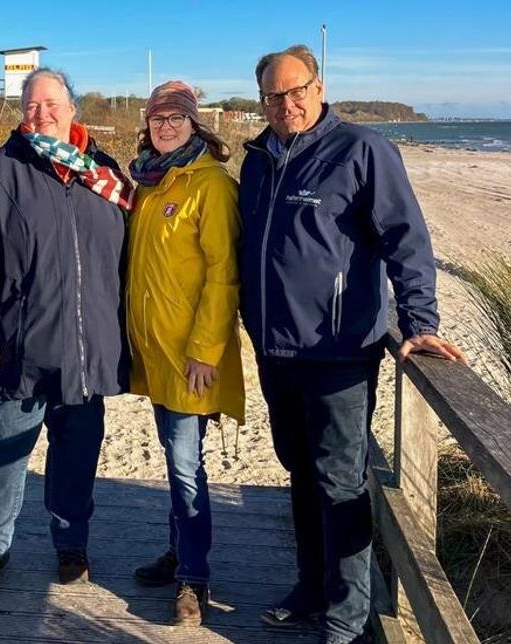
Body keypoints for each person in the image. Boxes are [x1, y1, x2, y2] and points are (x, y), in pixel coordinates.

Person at [238, 45, 467, 644]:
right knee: (300, 471)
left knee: (341, 481)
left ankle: (346, 617)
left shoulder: (362, 150)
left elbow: (406, 240)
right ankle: (311, 588)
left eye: (296, 92)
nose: (286, 105)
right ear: (261, 100)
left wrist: (420, 320)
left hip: (339, 352)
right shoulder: (258, 159)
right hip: (274, 349)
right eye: (273, 96)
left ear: (318, 86)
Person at [0, 68, 133, 591]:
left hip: (86, 346)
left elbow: (129, 261)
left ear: (72, 109)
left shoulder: (104, 173)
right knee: (2, 451)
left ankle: (70, 542)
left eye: (52, 104)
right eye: (32, 106)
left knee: (77, 452)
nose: (42, 114)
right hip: (17, 343)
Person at [125, 80, 244, 626]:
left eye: (177, 117)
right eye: (158, 118)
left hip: (191, 356)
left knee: (185, 465)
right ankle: (179, 553)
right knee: (176, 462)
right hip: (154, 351)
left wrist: (205, 351)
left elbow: (224, 276)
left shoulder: (211, 184)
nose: (166, 125)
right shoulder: (149, 181)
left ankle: (193, 578)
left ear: (195, 124)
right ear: (147, 124)